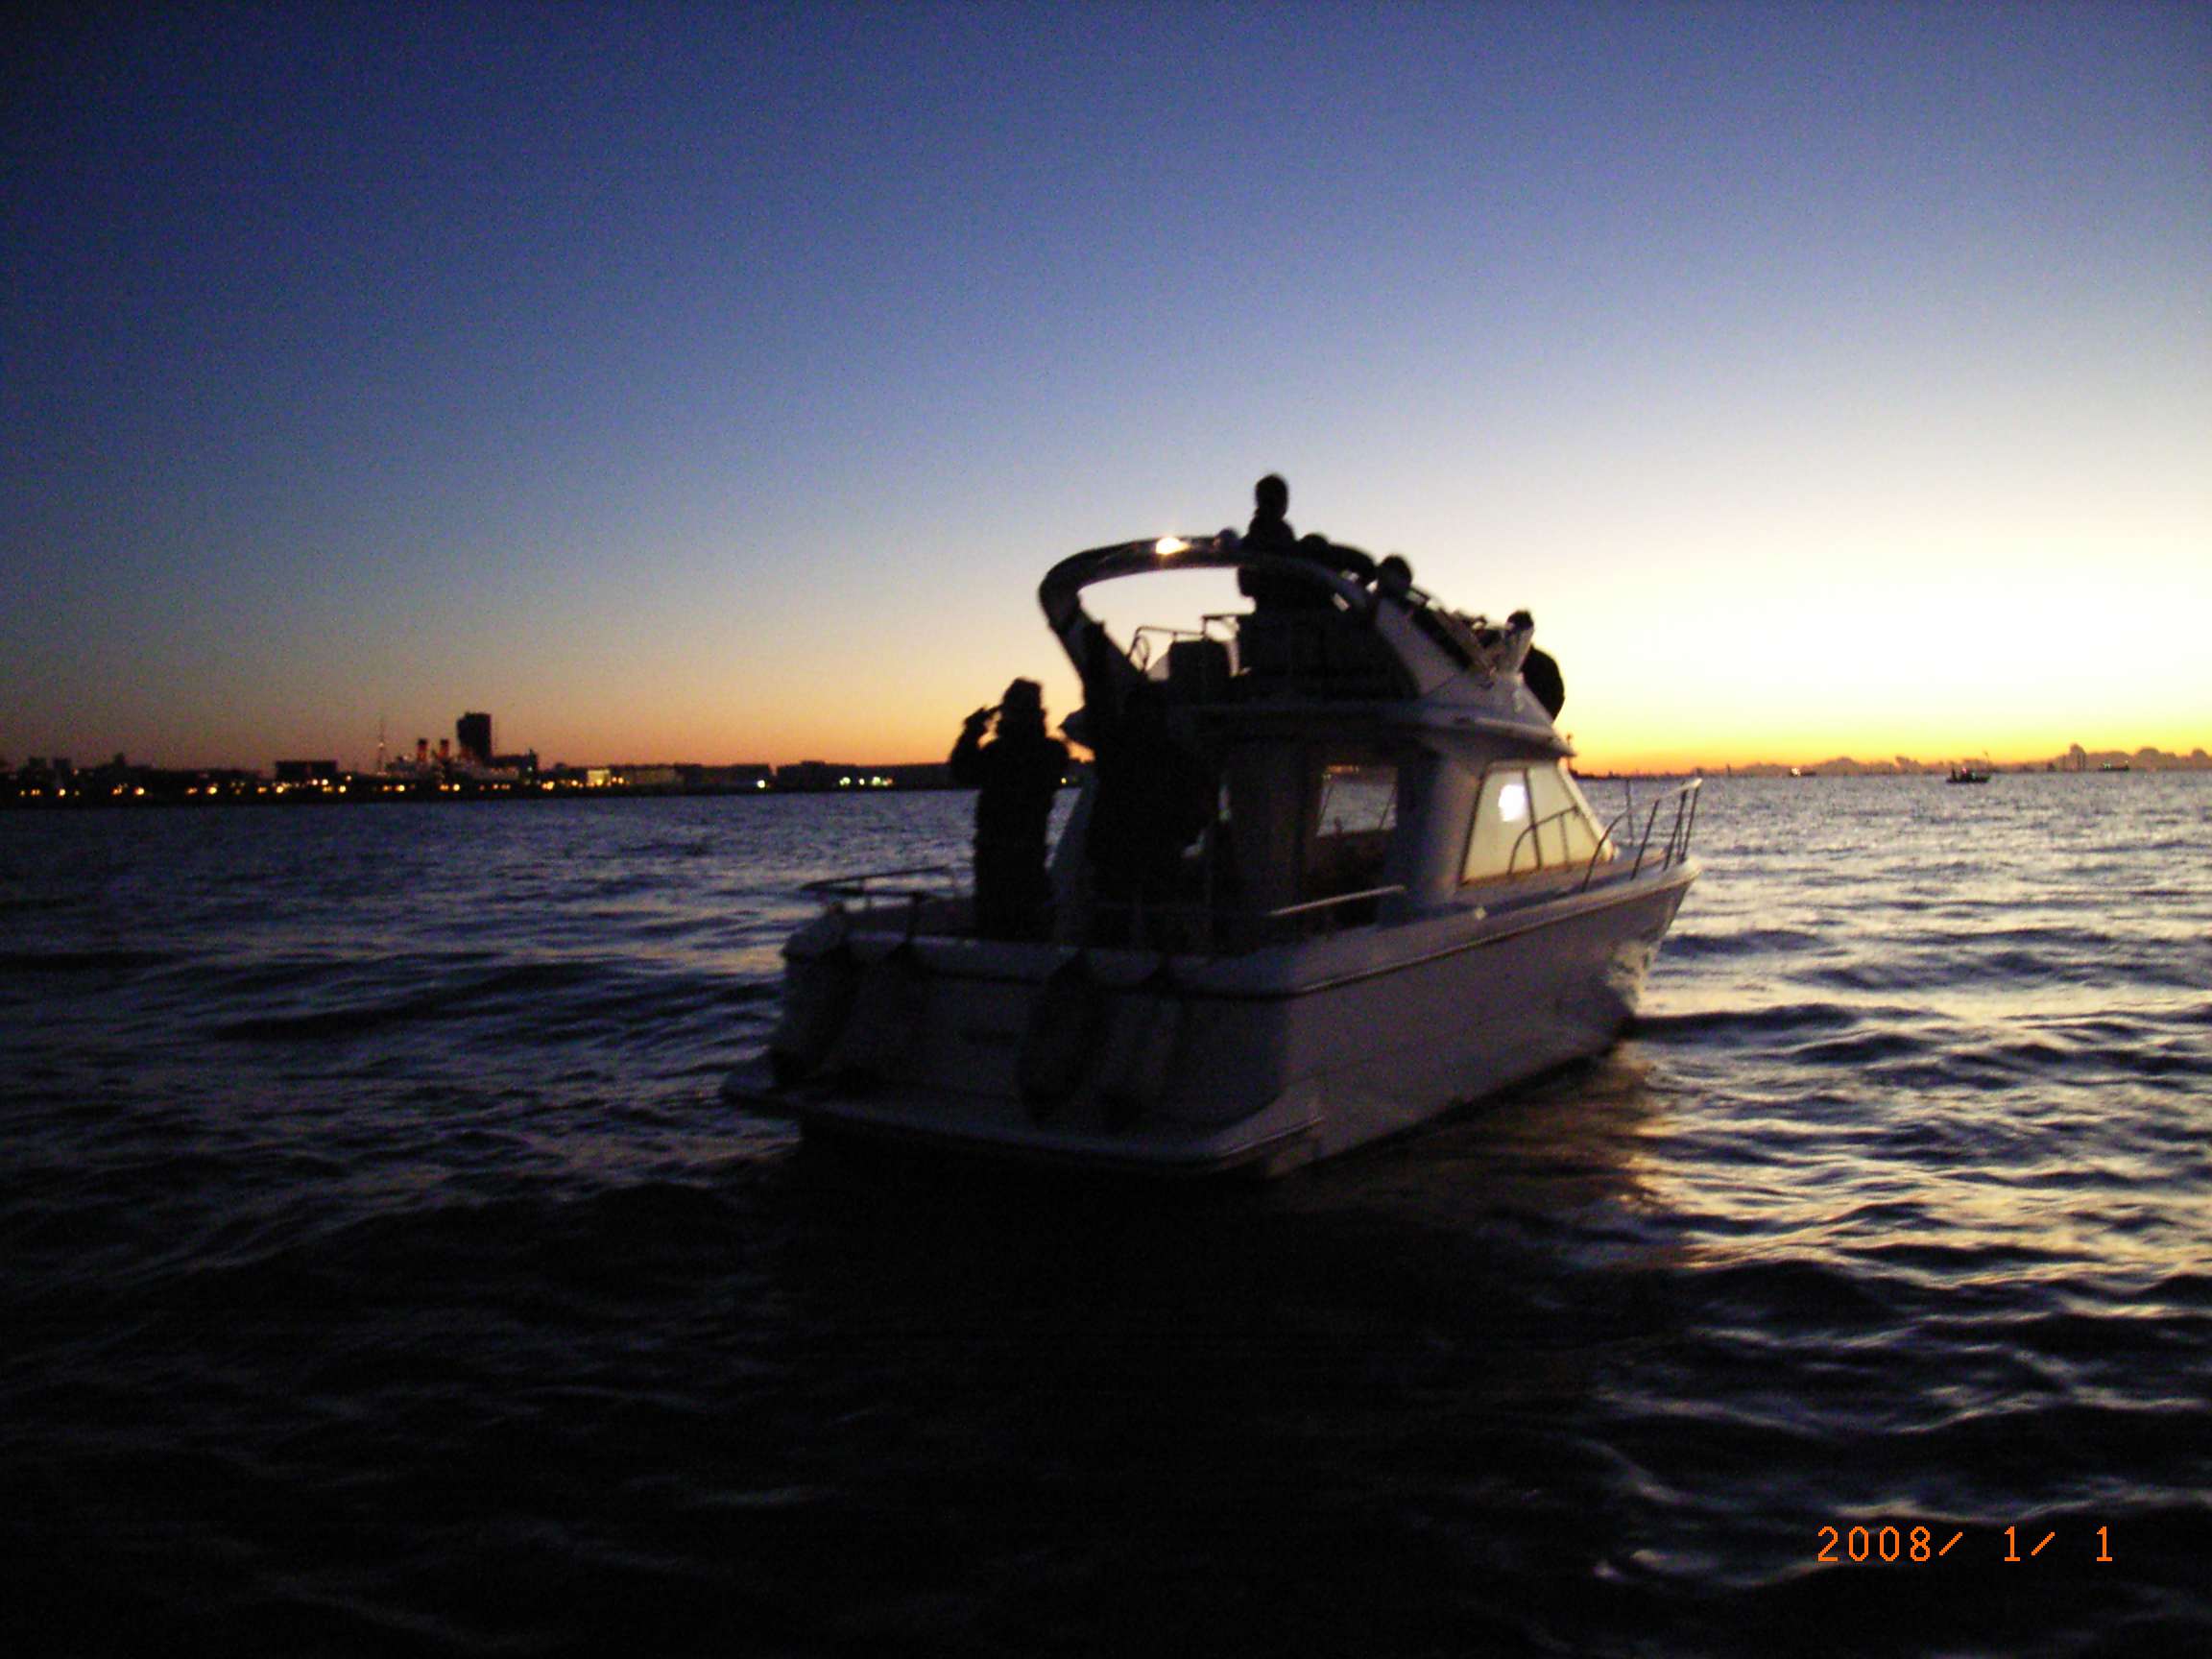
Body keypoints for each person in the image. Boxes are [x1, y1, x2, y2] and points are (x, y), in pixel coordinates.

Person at [950, 679, 1069, 940]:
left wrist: (972, 733)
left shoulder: (1003, 752)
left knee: (1002, 924)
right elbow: (962, 770)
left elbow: (962, 770)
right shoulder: (1052, 751)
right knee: (1026, 924)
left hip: (1005, 854)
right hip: (1019, 853)